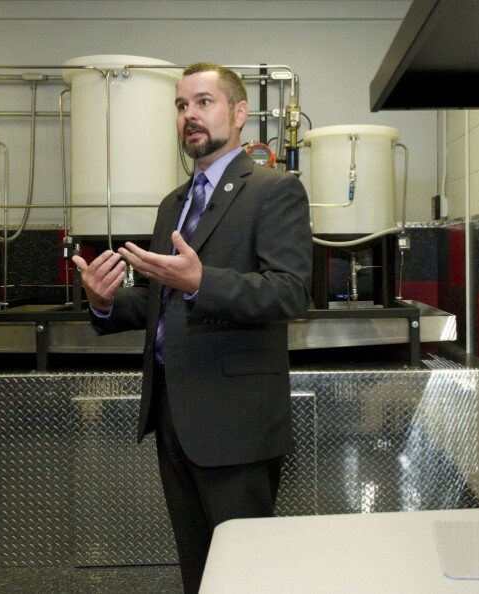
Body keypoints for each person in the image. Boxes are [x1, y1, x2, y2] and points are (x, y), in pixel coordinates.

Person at [72, 62, 312, 593]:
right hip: (173, 418)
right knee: (198, 571)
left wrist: (204, 282)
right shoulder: (173, 205)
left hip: (237, 426)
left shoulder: (274, 191)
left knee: (244, 576)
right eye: (182, 106)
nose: (189, 115)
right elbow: (161, 298)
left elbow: (289, 292)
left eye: (204, 102)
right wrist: (105, 301)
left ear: (240, 113)